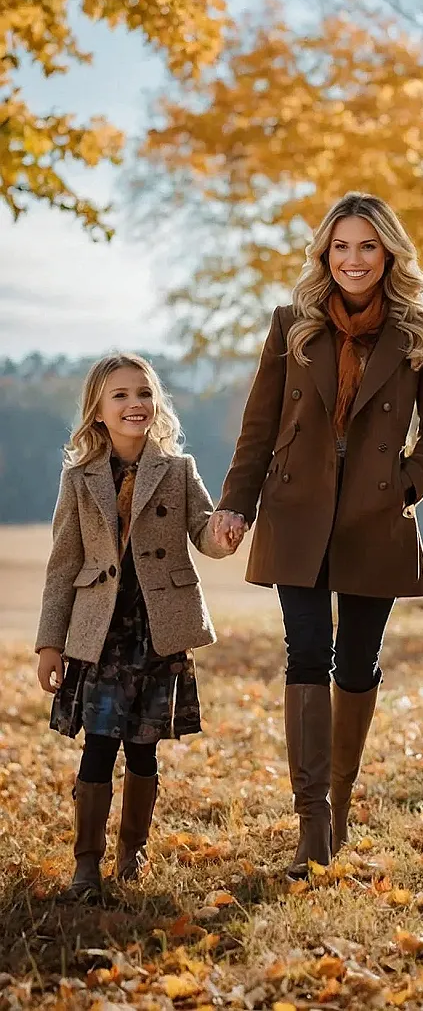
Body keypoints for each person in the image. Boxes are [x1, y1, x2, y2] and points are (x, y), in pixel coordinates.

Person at [211, 191, 423, 877]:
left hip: (374, 516)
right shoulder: (291, 324)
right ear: (326, 253)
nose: (352, 260)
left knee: (355, 665)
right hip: (295, 509)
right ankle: (312, 823)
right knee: (305, 653)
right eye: (340, 247)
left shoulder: (419, 332)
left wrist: (407, 484)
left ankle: (341, 806)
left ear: (387, 254)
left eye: (367, 247)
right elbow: (257, 427)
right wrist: (237, 505)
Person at [35, 353, 236, 901]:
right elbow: (62, 564)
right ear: (97, 410)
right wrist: (51, 644)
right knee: (98, 745)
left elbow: (203, 533)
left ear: (157, 404)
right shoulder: (79, 479)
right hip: (98, 634)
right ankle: (86, 865)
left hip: (158, 630)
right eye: (120, 395)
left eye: (144, 394)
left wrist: (223, 533)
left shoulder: (178, 470)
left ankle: (132, 854)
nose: (135, 404)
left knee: (144, 747)